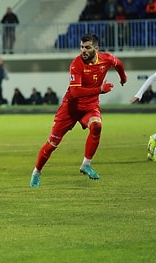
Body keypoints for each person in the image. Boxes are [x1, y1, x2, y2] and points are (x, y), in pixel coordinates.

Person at [30, 33, 127, 188]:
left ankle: (86, 164)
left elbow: (119, 63)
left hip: (90, 106)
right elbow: (75, 93)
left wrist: (123, 77)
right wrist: (100, 89)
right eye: (82, 47)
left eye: (87, 47)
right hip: (70, 108)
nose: (83, 50)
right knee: (52, 144)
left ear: (96, 48)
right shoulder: (76, 64)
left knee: (97, 126)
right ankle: (37, 172)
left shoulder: (106, 59)